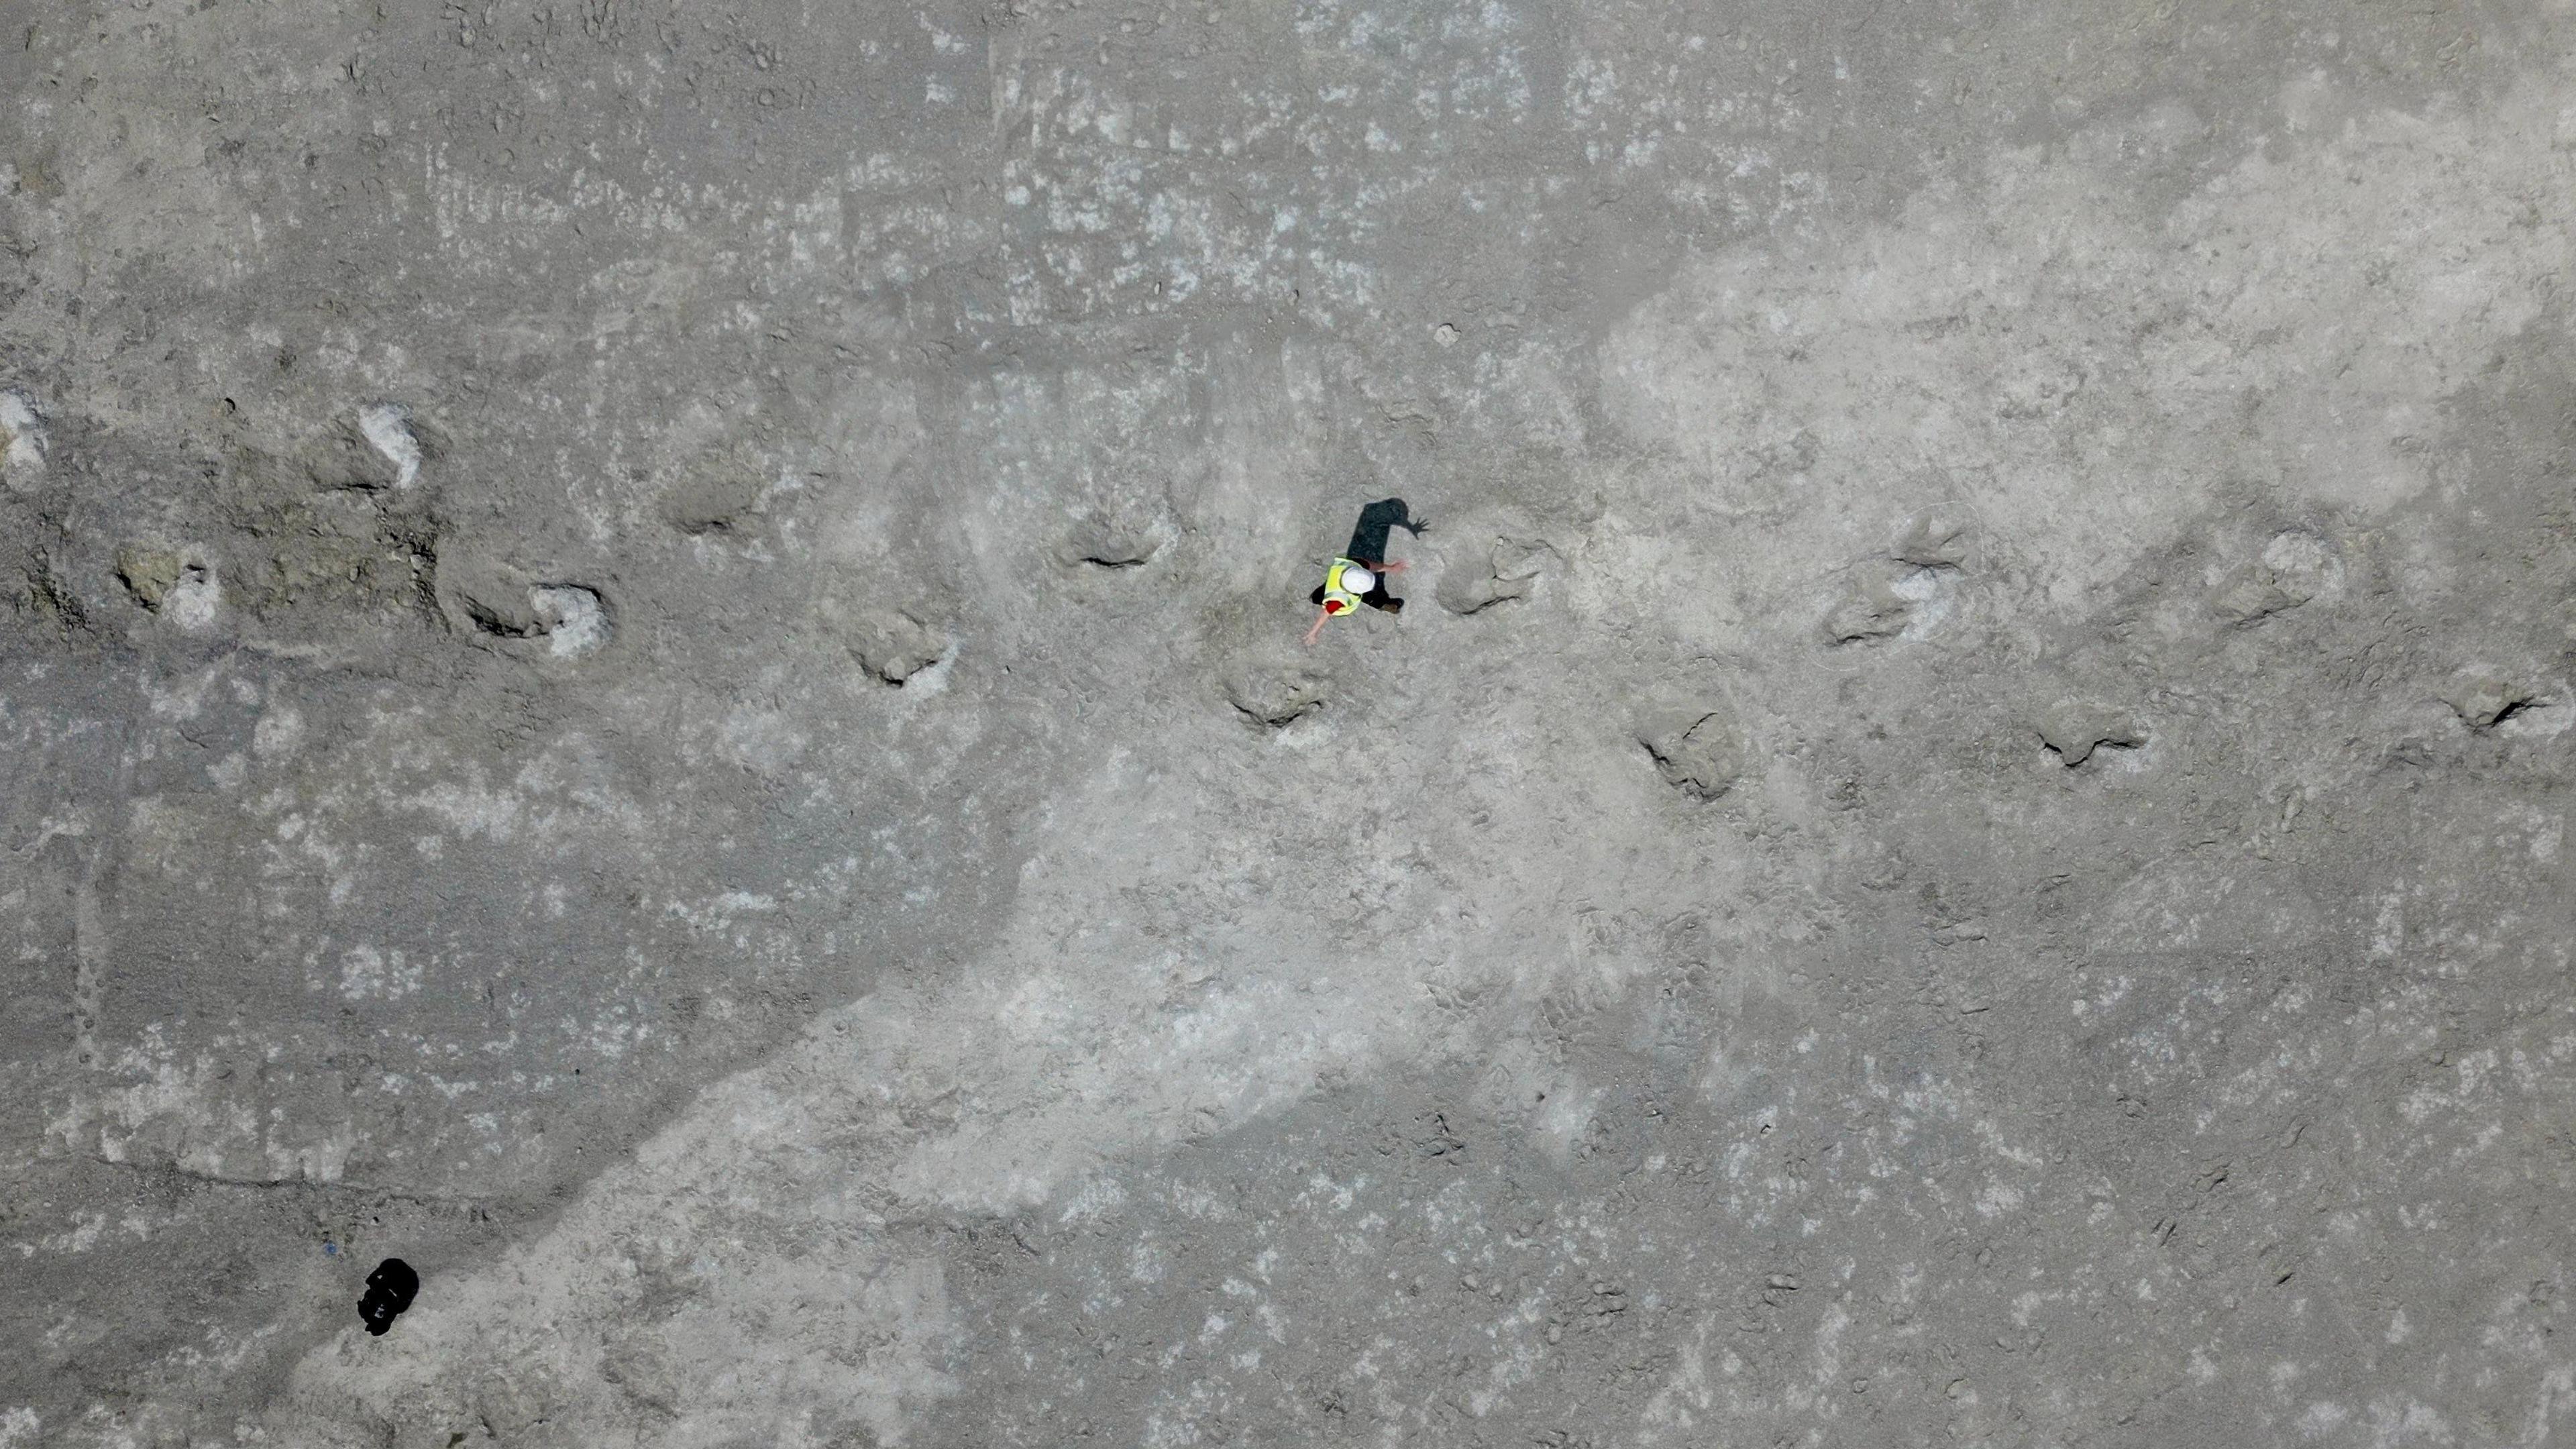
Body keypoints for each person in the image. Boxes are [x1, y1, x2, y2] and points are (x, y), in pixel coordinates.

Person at [1303, 498, 1427, 645]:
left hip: (1337, 590)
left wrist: (1314, 633)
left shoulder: (1340, 588)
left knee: (1319, 597)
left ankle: (1316, 599)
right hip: (1344, 601)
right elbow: (1374, 567)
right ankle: (1381, 603)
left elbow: (1326, 613)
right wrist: (1392, 568)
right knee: (1366, 596)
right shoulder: (1356, 567)